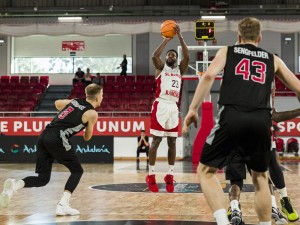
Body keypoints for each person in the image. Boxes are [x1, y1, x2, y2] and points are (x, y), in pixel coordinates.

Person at [182, 17, 300, 225]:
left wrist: (192, 109)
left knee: (205, 171)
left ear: (238, 37)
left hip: (232, 116)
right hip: (261, 120)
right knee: (260, 178)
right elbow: (298, 88)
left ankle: (223, 221)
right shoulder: (273, 59)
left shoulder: (227, 51)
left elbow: (208, 76)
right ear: (260, 37)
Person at [0, 83, 103, 216]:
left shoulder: (75, 101)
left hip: (44, 135)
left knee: (43, 179)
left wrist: (69, 107)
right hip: (58, 138)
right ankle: (62, 205)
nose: (102, 97)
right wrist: (88, 127)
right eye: (102, 95)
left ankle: (14, 185)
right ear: (97, 97)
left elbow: (57, 103)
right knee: (77, 171)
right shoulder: (92, 113)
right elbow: (87, 137)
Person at [226, 102, 300, 225]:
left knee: (236, 179)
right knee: (263, 177)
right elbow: (275, 116)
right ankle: (274, 206)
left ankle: (234, 208)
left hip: (234, 134)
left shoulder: (232, 86)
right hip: (259, 135)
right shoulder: (264, 86)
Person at [146, 24, 189, 193]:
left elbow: (187, 56)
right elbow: (154, 55)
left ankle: (170, 175)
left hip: (173, 107)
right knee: (156, 141)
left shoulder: (180, 70)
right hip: (161, 105)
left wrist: (180, 37)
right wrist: (166, 40)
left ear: (176, 59)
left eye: (173, 55)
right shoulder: (160, 68)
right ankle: (151, 175)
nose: (171, 56)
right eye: (169, 55)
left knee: (172, 142)